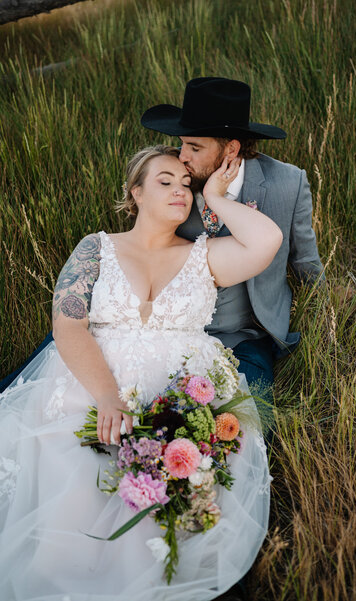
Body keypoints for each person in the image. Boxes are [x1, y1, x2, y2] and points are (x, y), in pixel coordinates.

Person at [0, 145, 282, 601]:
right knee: (74, 480)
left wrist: (217, 196)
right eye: (164, 181)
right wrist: (107, 396)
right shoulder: (96, 248)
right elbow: (68, 324)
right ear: (136, 193)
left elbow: (267, 241)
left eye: (186, 185)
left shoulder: (204, 256)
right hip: (91, 386)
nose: (179, 192)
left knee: (156, 505)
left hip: (176, 395)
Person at [141, 77, 325, 433]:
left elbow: (305, 262)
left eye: (194, 147)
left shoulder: (289, 183)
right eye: (181, 145)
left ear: (230, 150)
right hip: (174, 330)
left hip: (246, 336)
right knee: (153, 422)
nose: (182, 157)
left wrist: (328, 312)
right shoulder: (174, 183)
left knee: (246, 428)